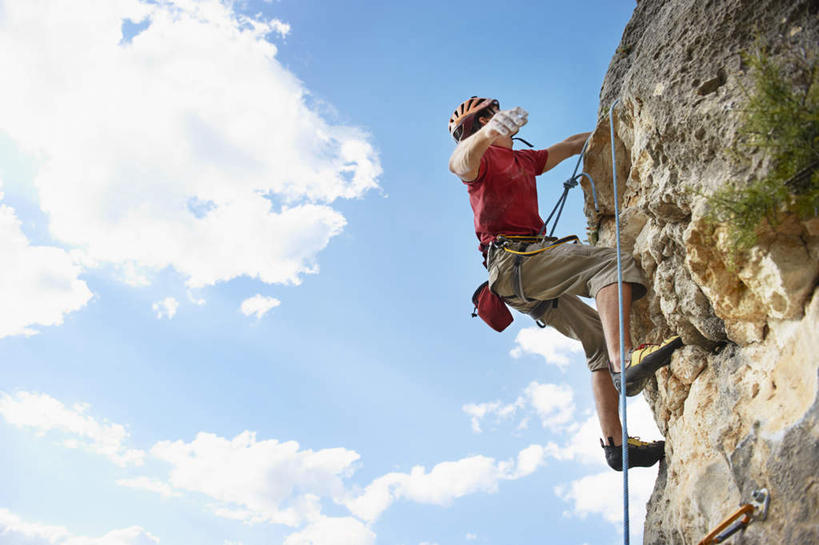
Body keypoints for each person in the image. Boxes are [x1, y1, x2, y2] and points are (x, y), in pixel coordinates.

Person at [448, 96, 683, 471]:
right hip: (516, 263)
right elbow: (458, 162)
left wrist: (618, 128)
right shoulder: (479, 162)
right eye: (489, 119)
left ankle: (616, 444)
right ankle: (626, 361)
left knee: (594, 339)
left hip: (521, 280)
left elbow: (572, 146)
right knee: (608, 262)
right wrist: (487, 134)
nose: (499, 121)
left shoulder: (524, 160)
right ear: (479, 129)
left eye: (496, 117)